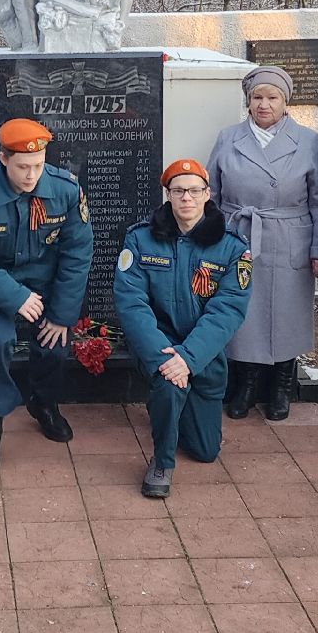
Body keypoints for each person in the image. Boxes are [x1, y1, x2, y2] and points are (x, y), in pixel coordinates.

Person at [0, 119, 94, 468]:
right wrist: (15, 297)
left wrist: (61, 314)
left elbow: (78, 252)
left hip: (46, 284)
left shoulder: (65, 189)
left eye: (38, 166)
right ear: (3, 159)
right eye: (23, 167)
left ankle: (43, 403)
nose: (31, 176)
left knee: (55, 343)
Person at [113, 160, 253, 499]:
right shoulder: (141, 239)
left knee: (205, 451)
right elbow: (131, 303)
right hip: (159, 347)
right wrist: (165, 358)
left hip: (202, 355)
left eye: (193, 190)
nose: (186, 198)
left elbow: (227, 311)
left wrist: (188, 358)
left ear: (207, 194)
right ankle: (161, 464)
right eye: (178, 191)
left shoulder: (232, 248)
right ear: (168, 195)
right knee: (169, 385)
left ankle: (173, 408)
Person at [206, 66, 318, 422]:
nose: (264, 104)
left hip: (289, 236)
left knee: (288, 313)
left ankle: (282, 386)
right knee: (244, 311)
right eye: (257, 97)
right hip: (240, 235)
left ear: (285, 101)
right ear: (248, 100)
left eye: (272, 97)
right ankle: (246, 384)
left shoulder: (307, 140)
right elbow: (211, 193)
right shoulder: (228, 138)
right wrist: (212, 242)